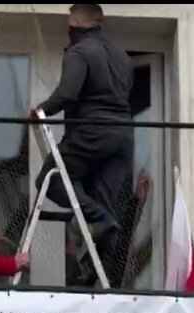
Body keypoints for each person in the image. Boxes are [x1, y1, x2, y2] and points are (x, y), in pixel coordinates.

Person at [32, 3, 134, 248]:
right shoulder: (122, 56)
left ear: (75, 23)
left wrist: (40, 111)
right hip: (124, 137)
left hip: (92, 132)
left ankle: (102, 221)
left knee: (50, 179)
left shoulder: (79, 51)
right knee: (100, 200)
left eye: (69, 22)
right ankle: (102, 260)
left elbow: (67, 94)